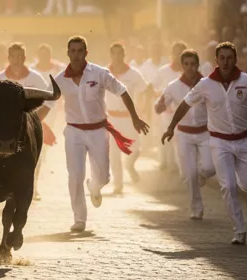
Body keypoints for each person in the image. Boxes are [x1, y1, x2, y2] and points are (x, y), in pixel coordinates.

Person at [162, 42, 247, 244]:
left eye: (230, 58)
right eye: (222, 58)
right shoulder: (206, 85)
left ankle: (235, 172)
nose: (226, 62)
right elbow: (185, 104)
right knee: (228, 186)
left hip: (244, 141)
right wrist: (170, 127)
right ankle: (239, 230)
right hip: (219, 142)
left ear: (235, 60)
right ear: (216, 61)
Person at [50, 36, 149, 233]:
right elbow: (47, 103)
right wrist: (38, 124)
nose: (76, 55)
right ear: (68, 53)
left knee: (104, 176)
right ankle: (79, 218)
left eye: (80, 51)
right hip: (74, 132)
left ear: (86, 53)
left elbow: (122, 91)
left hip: (98, 130)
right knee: (75, 175)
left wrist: (135, 118)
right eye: (73, 51)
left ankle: (94, 186)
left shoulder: (100, 73)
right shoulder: (59, 79)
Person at [155, 49, 215, 220]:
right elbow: (162, 104)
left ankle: (203, 176)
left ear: (198, 65)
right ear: (182, 66)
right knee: (189, 173)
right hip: (184, 135)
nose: (190, 68)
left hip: (205, 132)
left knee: (210, 168)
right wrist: (159, 107)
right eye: (186, 64)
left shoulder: (208, 84)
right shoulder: (173, 86)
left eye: (193, 64)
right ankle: (196, 207)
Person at [0, 42, 52, 201]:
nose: (16, 60)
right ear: (8, 58)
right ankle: (9, 189)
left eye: (20, 57)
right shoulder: (0, 78)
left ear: (25, 58)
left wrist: (36, 120)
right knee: (6, 156)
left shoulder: (36, 78)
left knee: (34, 158)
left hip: (31, 126)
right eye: (13, 57)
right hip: (7, 128)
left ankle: (32, 188)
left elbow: (50, 100)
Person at [106, 43, 149, 194]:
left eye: (120, 53)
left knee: (136, 149)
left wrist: (143, 109)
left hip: (129, 118)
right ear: (111, 55)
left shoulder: (133, 73)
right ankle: (118, 185)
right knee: (114, 153)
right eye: (114, 53)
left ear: (124, 55)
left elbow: (144, 90)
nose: (117, 57)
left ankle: (130, 165)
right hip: (111, 118)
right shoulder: (105, 73)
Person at [153, 41, 188, 173]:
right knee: (171, 139)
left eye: (181, 53)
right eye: (176, 53)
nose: (178, 56)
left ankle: (182, 169)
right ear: (172, 54)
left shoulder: (189, 71)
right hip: (167, 113)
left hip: (185, 112)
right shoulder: (163, 71)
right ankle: (169, 163)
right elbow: (153, 87)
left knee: (181, 141)